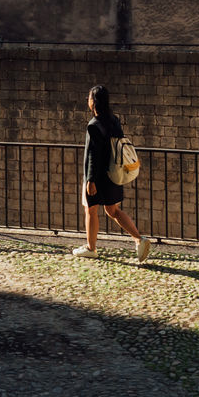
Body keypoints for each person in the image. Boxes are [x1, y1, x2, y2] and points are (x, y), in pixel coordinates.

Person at [73, 84, 151, 263]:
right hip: (114, 173)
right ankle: (139, 239)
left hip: (97, 176)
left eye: (89, 98)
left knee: (90, 210)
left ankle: (91, 248)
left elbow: (93, 154)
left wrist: (90, 180)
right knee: (113, 210)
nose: (88, 101)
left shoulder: (94, 125)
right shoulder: (114, 120)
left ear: (94, 102)